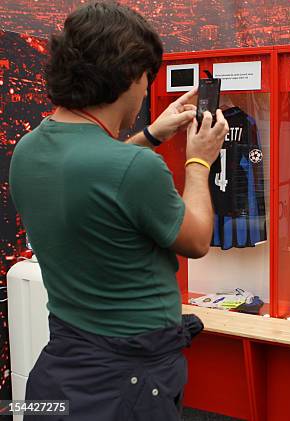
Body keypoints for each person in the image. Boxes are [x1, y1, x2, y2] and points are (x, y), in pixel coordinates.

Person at [9, 2, 228, 420]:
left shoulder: (28, 149)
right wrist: (198, 161)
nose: (147, 90)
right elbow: (197, 238)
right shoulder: (135, 169)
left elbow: (95, 175)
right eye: (147, 78)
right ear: (129, 75)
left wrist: (150, 134)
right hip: (130, 378)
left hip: (64, 368)